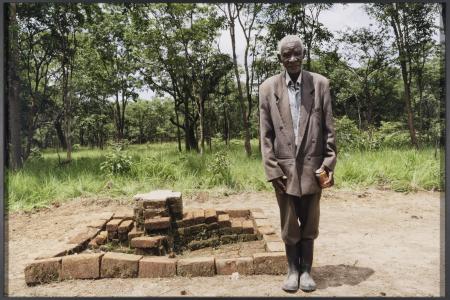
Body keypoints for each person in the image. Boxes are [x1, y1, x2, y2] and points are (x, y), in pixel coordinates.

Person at [259, 35, 337, 292]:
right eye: (286, 55)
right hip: (283, 170)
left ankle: (306, 272)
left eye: (296, 54)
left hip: (314, 168)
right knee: (289, 223)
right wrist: (272, 169)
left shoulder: (320, 84)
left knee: (310, 223)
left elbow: (329, 129)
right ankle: (292, 270)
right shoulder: (268, 88)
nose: (292, 59)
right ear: (280, 58)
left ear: (304, 54)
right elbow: (265, 134)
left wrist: (328, 163)